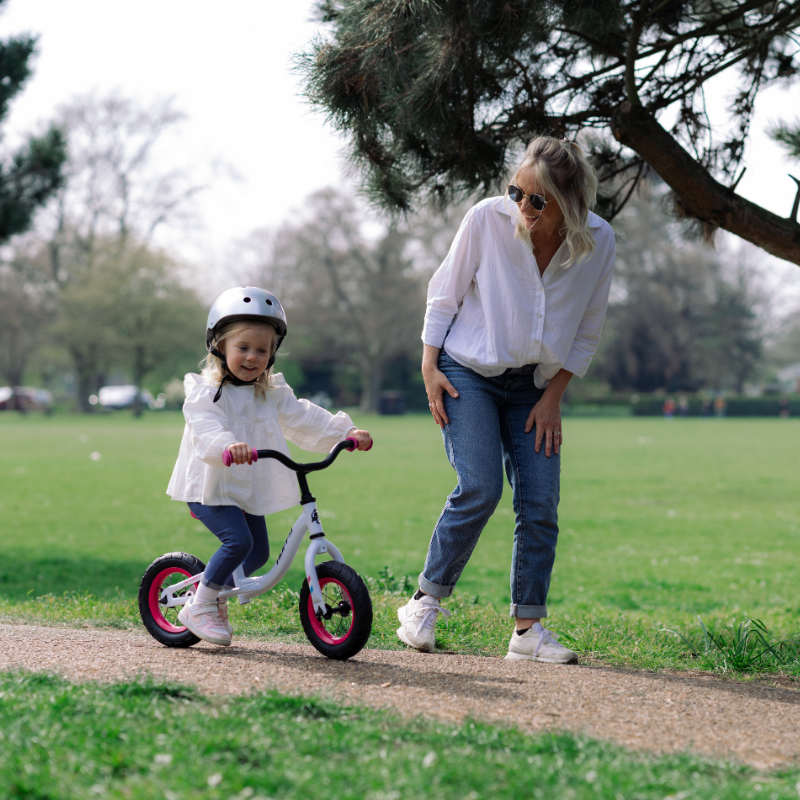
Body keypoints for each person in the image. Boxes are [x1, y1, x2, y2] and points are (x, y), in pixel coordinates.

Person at [396, 137, 615, 663]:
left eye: (536, 200)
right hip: (466, 370)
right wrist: (429, 366)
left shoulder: (599, 241)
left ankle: (527, 632)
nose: (521, 206)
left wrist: (553, 397)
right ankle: (424, 603)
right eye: (517, 191)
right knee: (480, 486)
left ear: (569, 202)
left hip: (535, 388)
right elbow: (444, 292)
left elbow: (588, 328)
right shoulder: (485, 220)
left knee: (540, 503)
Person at [167, 286, 372, 646]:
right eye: (242, 348)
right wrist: (228, 445)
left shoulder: (270, 393)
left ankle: (213, 596)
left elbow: (303, 417)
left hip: (245, 486)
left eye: (262, 350)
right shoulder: (206, 393)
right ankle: (198, 607)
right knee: (239, 542)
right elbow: (205, 427)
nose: (252, 357)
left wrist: (345, 432)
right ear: (219, 347)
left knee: (257, 552)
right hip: (210, 486)